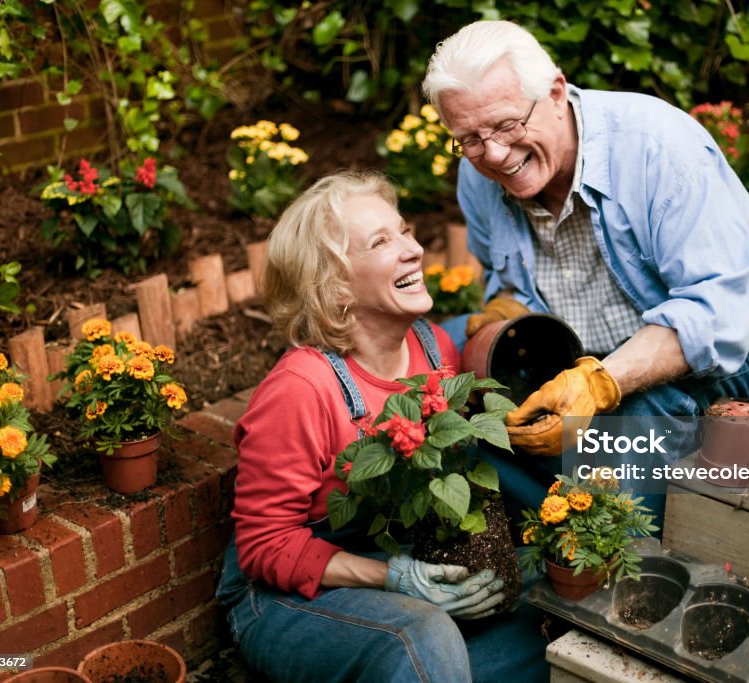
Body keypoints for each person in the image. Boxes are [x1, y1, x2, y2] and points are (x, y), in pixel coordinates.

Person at [422, 21, 749, 513]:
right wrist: (504, 313)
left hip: (724, 355)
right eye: (470, 138)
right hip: (578, 351)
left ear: (555, 92)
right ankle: (538, 513)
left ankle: (603, 544)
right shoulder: (478, 172)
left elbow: (716, 317)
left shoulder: (660, 150)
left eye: (507, 126)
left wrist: (601, 382)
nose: (496, 155)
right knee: (452, 357)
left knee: (630, 423)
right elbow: (505, 284)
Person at [216, 171, 549, 683]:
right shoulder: (302, 389)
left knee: (543, 594)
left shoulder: (435, 346)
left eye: (405, 231)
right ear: (335, 284)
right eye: (381, 241)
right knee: (421, 636)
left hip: (392, 558)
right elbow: (266, 546)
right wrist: (394, 577)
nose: (414, 249)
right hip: (287, 595)